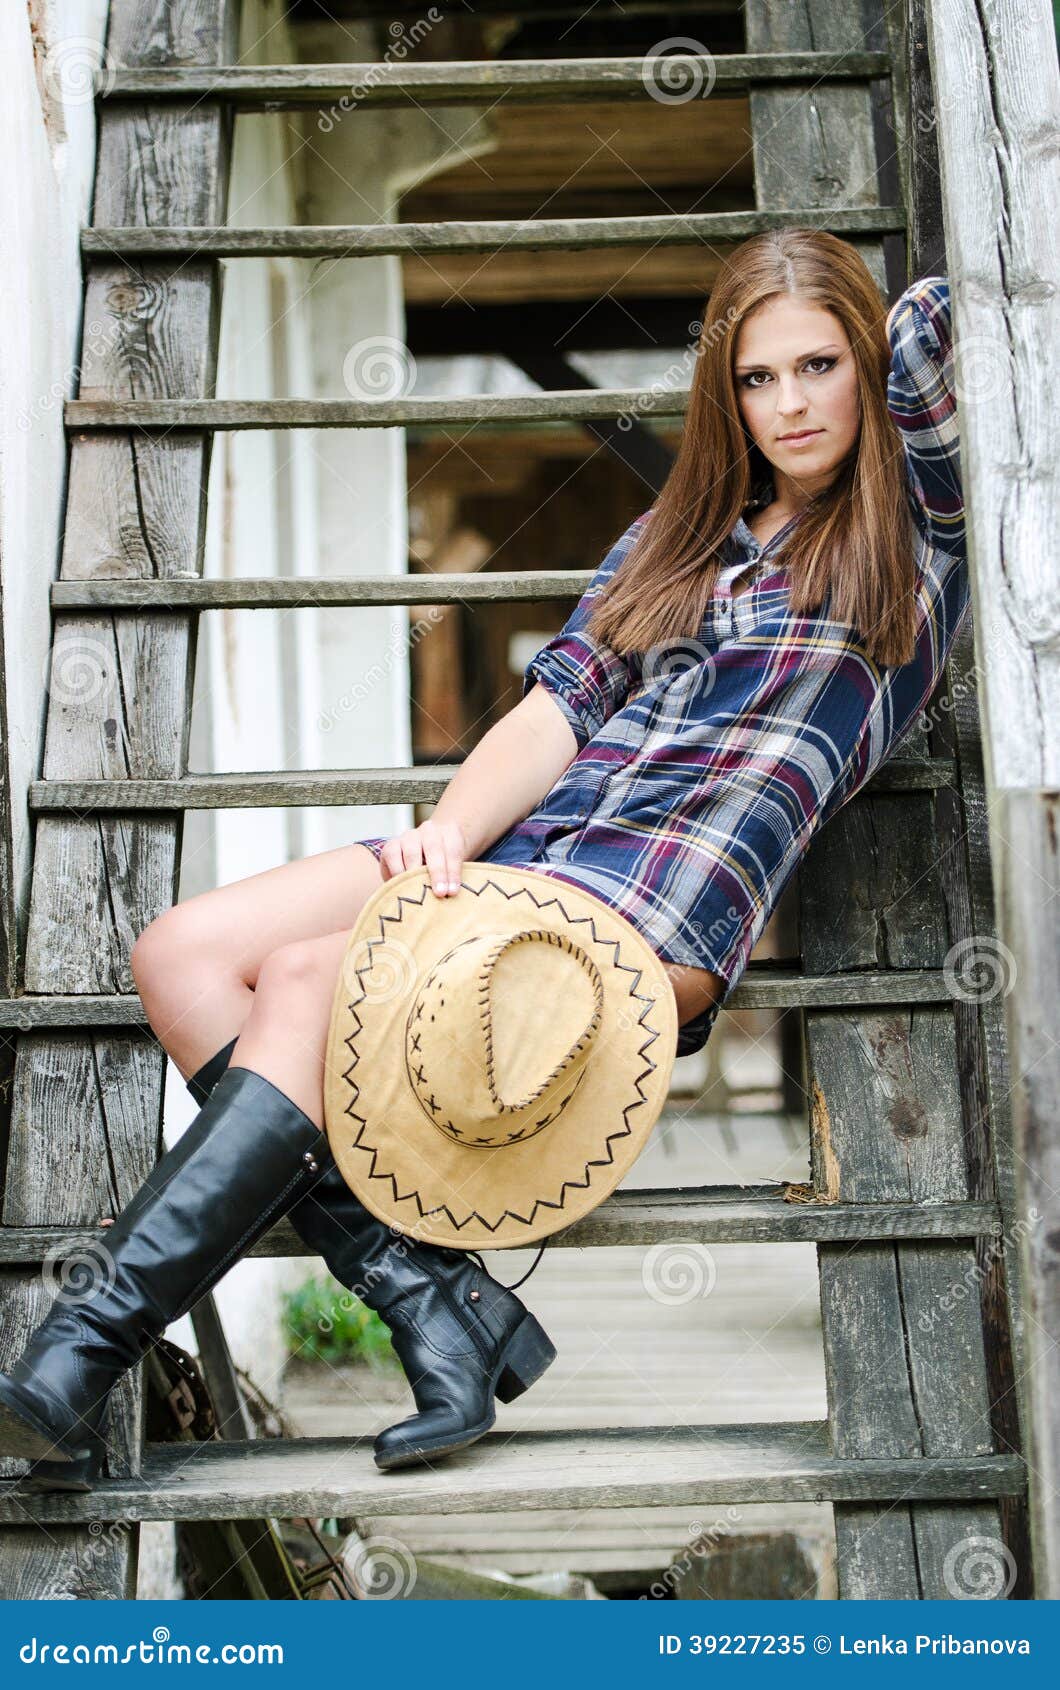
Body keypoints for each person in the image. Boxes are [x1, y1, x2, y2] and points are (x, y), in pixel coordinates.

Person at [0, 226, 966, 1493]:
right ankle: (433, 1301)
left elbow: (943, 339)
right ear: (721, 393)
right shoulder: (673, 541)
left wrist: (864, 313)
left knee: (300, 982)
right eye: (754, 376)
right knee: (179, 952)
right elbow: (557, 709)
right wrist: (451, 829)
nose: (788, 403)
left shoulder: (916, 552)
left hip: (639, 919)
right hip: (524, 852)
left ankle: (77, 1355)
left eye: (818, 364)